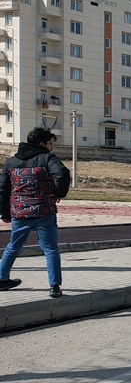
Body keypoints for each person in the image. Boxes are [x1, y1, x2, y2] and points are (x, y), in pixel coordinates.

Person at [0, 127, 71, 297]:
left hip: (20, 214)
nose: (51, 147)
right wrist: (57, 193)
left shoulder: (11, 163)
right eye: (49, 143)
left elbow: (3, 189)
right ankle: (54, 287)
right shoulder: (47, 158)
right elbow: (62, 174)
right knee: (50, 249)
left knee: (13, 247)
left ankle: (2, 279)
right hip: (44, 212)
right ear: (41, 144)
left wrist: (5, 213)